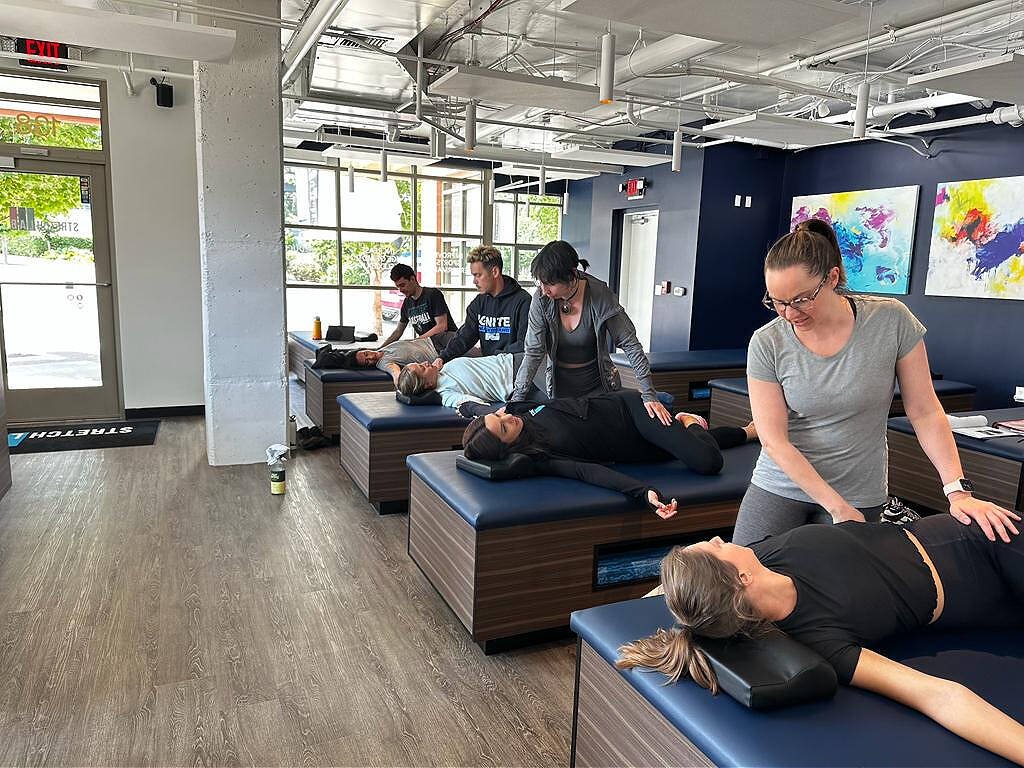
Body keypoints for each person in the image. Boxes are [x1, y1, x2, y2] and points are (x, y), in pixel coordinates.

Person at [617, 513, 1024, 764]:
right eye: (716, 546)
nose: (722, 538)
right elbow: (938, 695)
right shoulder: (819, 638)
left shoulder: (764, 558)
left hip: (971, 529)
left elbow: (680, 596)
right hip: (982, 575)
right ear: (741, 579)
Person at [736, 218, 1017, 545]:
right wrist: (835, 507)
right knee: (742, 580)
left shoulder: (891, 320)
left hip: (858, 488)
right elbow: (774, 440)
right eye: (777, 302)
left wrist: (957, 491)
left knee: (839, 591)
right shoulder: (768, 342)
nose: (788, 313)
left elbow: (925, 411)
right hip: (780, 482)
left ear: (832, 278)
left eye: (800, 299)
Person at [461, 390, 756, 519]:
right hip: (633, 449)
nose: (506, 417)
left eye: (499, 416)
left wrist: (468, 407)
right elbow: (586, 472)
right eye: (502, 428)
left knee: (708, 462)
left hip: (631, 411)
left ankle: (689, 421)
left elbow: (480, 409)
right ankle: (748, 432)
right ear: (507, 447)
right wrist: (644, 493)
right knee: (682, 450)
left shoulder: (519, 410)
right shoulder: (540, 456)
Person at [510, 241, 672, 427]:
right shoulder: (541, 299)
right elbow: (533, 353)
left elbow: (630, 344)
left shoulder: (599, 294)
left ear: (571, 275)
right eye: (540, 283)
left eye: (550, 284)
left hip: (599, 386)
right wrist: (515, 404)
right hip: (560, 388)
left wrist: (649, 395)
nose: (544, 290)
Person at [433, 245, 531, 365]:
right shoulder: (478, 303)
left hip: (513, 368)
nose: (474, 281)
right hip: (489, 367)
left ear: (495, 272)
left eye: (478, 275)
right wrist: (443, 358)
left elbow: (525, 344)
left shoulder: (523, 301)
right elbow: (464, 338)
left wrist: (492, 359)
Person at [397, 353, 546, 414]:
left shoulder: (443, 370)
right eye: (423, 368)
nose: (425, 362)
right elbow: (473, 404)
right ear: (428, 384)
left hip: (514, 360)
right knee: (563, 396)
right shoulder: (446, 394)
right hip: (518, 384)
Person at [378, 264, 458, 348]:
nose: (401, 290)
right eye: (398, 287)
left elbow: (442, 326)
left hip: (448, 342)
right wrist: (380, 349)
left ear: (412, 279)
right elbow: (398, 331)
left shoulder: (433, 294)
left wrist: (416, 341)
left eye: (402, 285)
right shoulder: (407, 304)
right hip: (429, 345)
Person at [332, 336, 442, 384]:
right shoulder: (383, 363)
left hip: (434, 339)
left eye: (366, 353)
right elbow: (396, 375)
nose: (371, 357)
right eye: (367, 361)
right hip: (440, 352)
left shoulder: (384, 348)